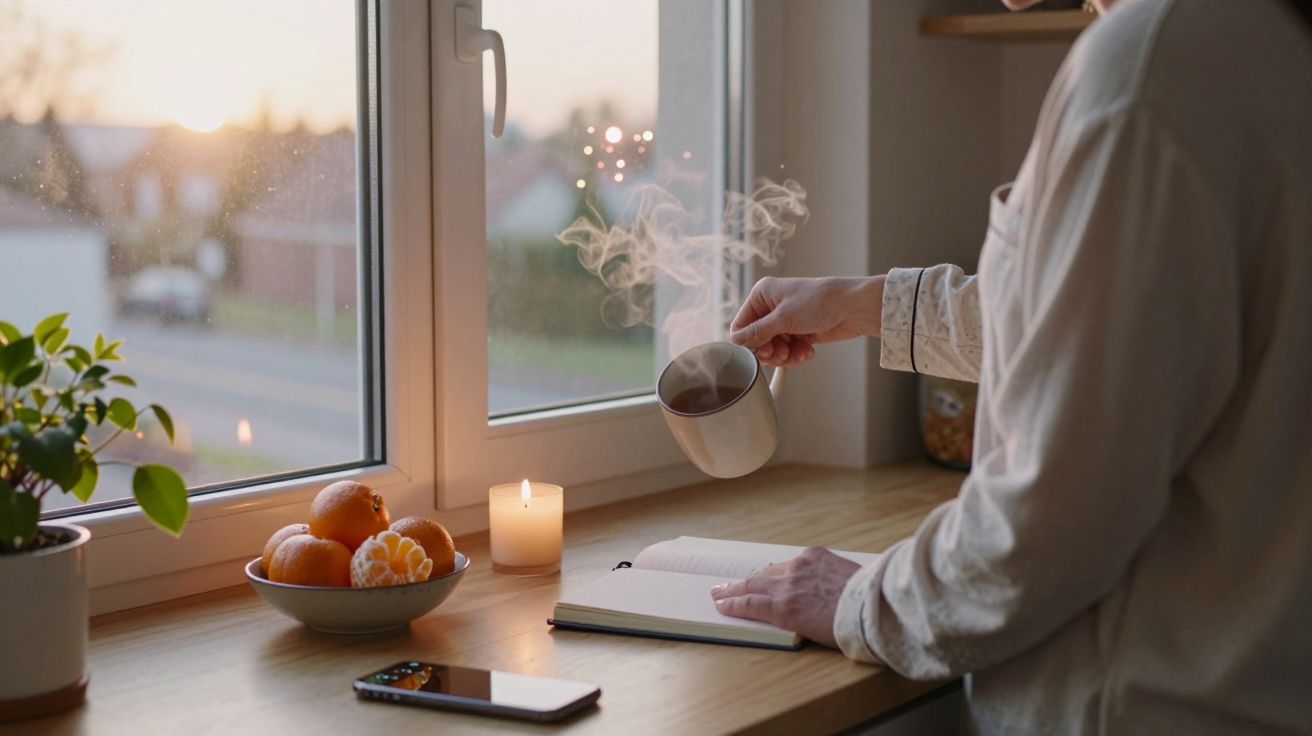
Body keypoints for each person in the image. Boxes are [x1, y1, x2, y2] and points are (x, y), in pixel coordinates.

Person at [710, 0, 1311, 732]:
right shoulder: (1251, 39)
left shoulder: (1150, 71)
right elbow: (1123, 333)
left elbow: (1054, 515)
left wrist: (864, 599)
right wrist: (870, 306)